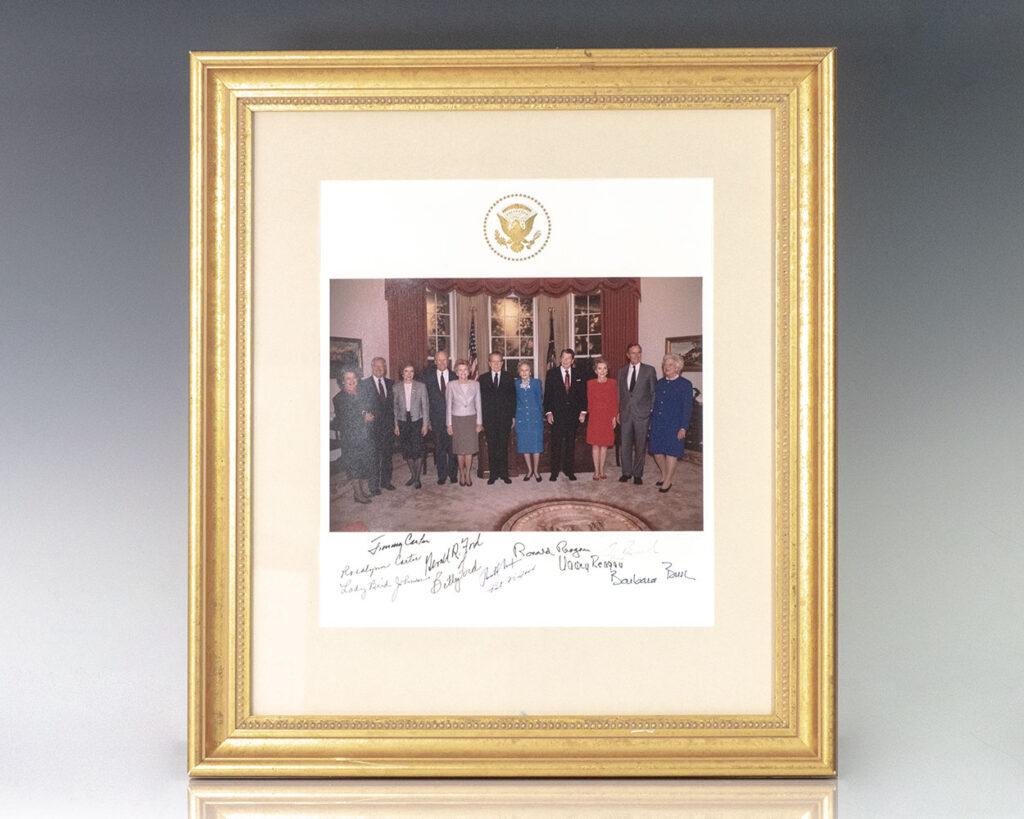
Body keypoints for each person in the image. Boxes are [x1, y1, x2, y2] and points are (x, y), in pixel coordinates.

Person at [648, 352, 694, 493]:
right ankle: (664, 474)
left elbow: (687, 408)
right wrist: (651, 422)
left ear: (677, 367)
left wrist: (683, 427)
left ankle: (667, 481)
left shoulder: (685, 384)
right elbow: (655, 404)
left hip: (674, 424)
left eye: (670, 365)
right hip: (658, 422)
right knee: (657, 452)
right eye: (665, 364)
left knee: (671, 453)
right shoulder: (660, 383)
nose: (666, 367)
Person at [543, 348, 588, 481]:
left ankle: (569, 471)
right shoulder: (552, 373)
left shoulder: (579, 374)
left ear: (572, 360)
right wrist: (549, 413)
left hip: (573, 416)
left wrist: (583, 412)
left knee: (570, 444)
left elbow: (583, 395)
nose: (566, 361)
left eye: (569, 358)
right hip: (557, 415)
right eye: (563, 358)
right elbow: (548, 396)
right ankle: (554, 472)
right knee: (556, 444)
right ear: (560, 358)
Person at [616, 342, 658, 485]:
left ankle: (638, 474)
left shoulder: (649, 370)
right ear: (628, 355)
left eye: (638, 352)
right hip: (626, 413)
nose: (636, 355)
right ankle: (626, 472)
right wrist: (618, 412)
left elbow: (653, 393)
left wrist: (650, 411)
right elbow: (619, 394)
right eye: (633, 352)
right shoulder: (621, 371)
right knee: (625, 444)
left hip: (642, 414)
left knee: (641, 445)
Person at [331, 369, 373, 504]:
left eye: (354, 378)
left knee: (361, 464)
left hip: (363, 435)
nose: (351, 381)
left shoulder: (360, 394)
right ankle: (357, 493)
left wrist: (369, 415)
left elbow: (366, 408)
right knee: (354, 466)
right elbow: (345, 419)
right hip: (350, 438)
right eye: (348, 378)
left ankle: (361, 490)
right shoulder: (338, 398)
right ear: (342, 381)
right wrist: (363, 418)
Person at [359, 356, 395, 495]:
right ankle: (373, 486)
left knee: (387, 456)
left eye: (382, 367)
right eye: (376, 367)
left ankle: (386, 482)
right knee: (373, 457)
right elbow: (359, 404)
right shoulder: (364, 384)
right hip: (372, 428)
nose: (379, 369)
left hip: (387, 428)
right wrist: (364, 414)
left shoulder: (390, 383)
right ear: (372, 367)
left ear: (385, 368)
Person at [479, 352, 516, 484]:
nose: (496, 364)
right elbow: (480, 401)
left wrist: (513, 416)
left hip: (505, 418)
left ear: (502, 363)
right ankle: (493, 474)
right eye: (493, 361)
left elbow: (513, 399)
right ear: (489, 364)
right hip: (489, 419)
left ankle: (504, 474)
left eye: (498, 361)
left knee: (503, 446)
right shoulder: (482, 379)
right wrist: (481, 420)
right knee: (492, 447)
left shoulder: (509, 377)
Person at [446, 359, 483, 487]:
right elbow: (448, 406)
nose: (463, 372)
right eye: (460, 370)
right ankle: (461, 472)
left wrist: (479, 422)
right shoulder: (451, 385)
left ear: (469, 371)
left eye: (465, 369)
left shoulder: (475, 384)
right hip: (457, 419)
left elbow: (478, 404)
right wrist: (449, 424)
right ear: (456, 372)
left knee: (469, 450)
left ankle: (467, 473)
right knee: (460, 450)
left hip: (471, 419)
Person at [392, 362, 430, 489]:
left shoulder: (421, 386)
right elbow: (395, 408)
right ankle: (413, 476)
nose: (409, 374)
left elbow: (425, 407)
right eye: (406, 371)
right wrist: (396, 425)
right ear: (402, 373)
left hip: (417, 421)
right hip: (403, 421)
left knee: (418, 450)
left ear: (414, 373)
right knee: (407, 450)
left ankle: (418, 478)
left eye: (411, 371)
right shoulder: (396, 387)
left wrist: (425, 424)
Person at [423, 349, 458, 485]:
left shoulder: (455, 376)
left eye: (444, 360)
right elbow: (426, 401)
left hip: (453, 420)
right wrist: (428, 420)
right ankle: (442, 475)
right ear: (435, 361)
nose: (442, 362)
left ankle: (453, 474)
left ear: (448, 361)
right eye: (439, 360)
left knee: (452, 448)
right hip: (436, 420)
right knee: (440, 449)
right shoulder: (428, 378)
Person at [585, 357, 618, 480]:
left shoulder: (612, 383)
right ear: (595, 371)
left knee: (604, 445)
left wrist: (614, 416)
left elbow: (615, 401)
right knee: (595, 445)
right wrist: (587, 414)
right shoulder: (590, 384)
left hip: (607, 417)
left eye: (604, 368)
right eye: (600, 368)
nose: (602, 371)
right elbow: (588, 401)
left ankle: (602, 470)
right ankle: (596, 470)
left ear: (607, 370)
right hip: (594, 417)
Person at [513, 360, 544, 481]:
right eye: (522, 370)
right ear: (519, 373)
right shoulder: (516, 384)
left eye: (526, 370)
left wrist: (540, 416)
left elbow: (539, 401)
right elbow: (514, 401)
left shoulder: (537, 383)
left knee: (536, 446)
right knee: (525, 445)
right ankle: (529, 470)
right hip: (522, 419)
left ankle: (536, 471)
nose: (524, 372)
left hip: (535, 418)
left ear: (530, 372)